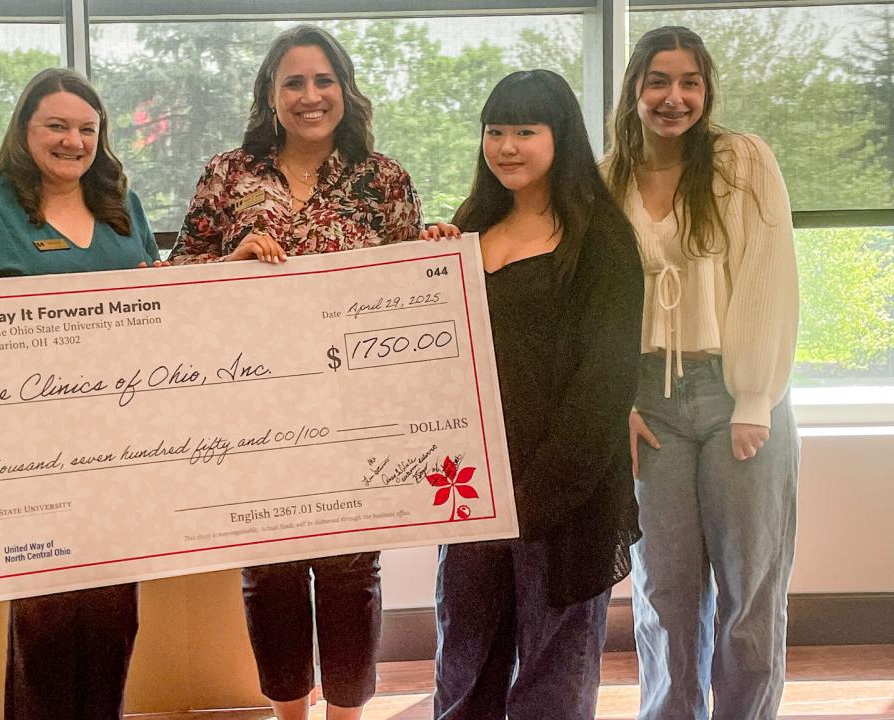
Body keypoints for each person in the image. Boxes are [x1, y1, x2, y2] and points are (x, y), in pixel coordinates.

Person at [169, 24, 426, 720]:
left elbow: (417, 296)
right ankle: (289, 714)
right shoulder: (229, 173)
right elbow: (177, 280)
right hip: (254, 409)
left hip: (355, 409)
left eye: (323, 80)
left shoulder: (386, 179)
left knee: (350, 572)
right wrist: (230, 265)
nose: (310, 96)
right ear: (270, 95)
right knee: (271, 573)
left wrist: (436, 252)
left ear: (344, 89)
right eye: (294, 82)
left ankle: (347, 714)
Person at [0, 67, 161, 720]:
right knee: (46, 626)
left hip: (120, 450)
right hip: (24, 460)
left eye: (87, 129)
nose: (72, 141)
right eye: (55, 125)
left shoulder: (122, 208)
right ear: (23, 131)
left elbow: (163, 310)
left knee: (114, 620)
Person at [431, 70, 643, 720]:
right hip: (472, 493)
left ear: (562, 138)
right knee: (465, 670)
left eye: (527, 130)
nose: (508, 146)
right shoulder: (470, 225)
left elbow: (603, 389)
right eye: (496, 131)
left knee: (551, 683)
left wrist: (534, 497)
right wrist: (427, 269)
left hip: (564, 498)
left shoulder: (601, 240)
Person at [604, 26, 800, 720]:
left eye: (689, 82)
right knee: (666, 591)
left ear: (707, 91)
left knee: (750, 589)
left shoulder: (742, 162)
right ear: (633, 89)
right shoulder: (608, 176)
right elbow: (598, 300)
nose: (673, 97)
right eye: (657, 80)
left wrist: (755, 393)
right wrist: (616, 400)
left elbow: (768, 278)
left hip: (736, 395)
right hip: (647, 401)